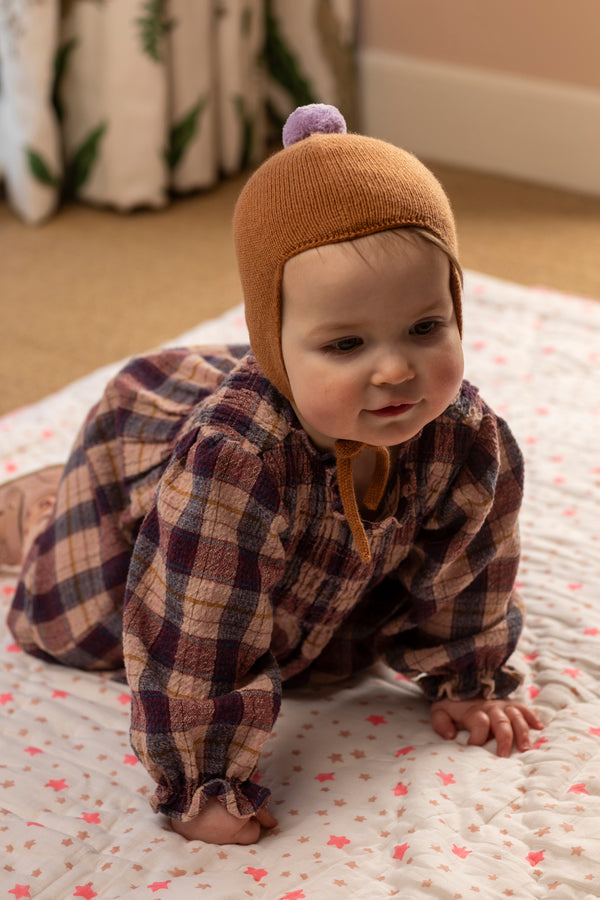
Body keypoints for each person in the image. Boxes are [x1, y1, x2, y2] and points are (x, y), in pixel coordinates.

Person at [1, 104, 542, 846]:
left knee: (333, 652)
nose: (394, 368)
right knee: (75, 622)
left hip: (313, 567)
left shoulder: (467, 437)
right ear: (274, 346)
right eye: (346, 342)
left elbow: (472, 567)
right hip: (173, 552)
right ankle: (42, 508)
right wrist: (205, 778)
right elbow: (197, 633)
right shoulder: (233, 465)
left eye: (425, 327)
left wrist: (465, 675)